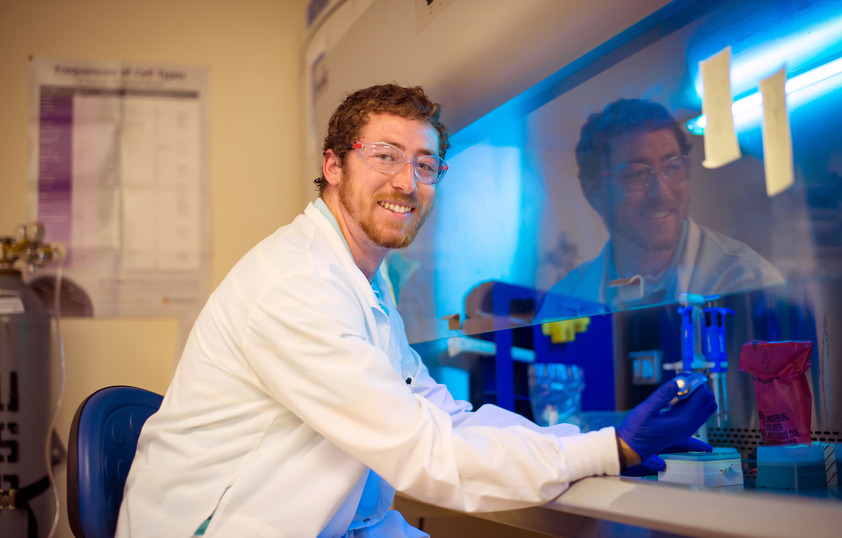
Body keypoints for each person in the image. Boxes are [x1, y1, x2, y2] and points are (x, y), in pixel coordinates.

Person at [116, 84, 716, 538]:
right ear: (333, 167)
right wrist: (607, 450)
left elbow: (438, 416)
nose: (407, 182)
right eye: (385, 156)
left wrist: (590, 441)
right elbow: (422, 451)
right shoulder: (298, 285)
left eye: (425, 165)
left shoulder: (364, 284)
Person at [537, 99, 785, 320]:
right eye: (635, 174)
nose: (661, 192)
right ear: (593, 191)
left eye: (673, 168)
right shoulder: (562, 303)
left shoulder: (749, 283)